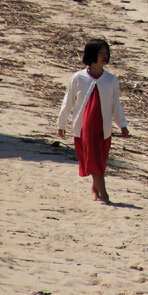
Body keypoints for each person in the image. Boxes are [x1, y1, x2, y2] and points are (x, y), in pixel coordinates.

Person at [57, 38, 129, 204]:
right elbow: (68, 101)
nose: (104, 56)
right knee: (93, 159)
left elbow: (115, 104)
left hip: (103, 127)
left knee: (100, 160)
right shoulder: (78, 78)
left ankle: (94, 189)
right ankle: (105, 194)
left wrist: (122, 124)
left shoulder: (111, 80)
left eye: (106, 53)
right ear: (91, 55)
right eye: (100, 53)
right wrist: (62, 124)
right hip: (85, 126)